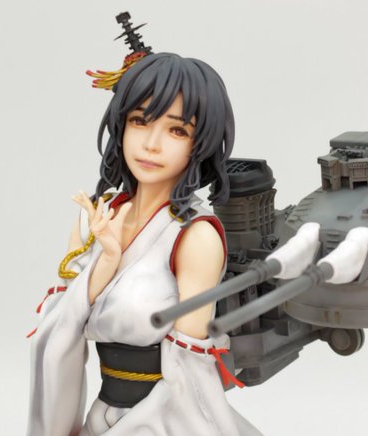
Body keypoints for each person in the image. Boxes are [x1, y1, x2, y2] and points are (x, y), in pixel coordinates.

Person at [26, 51, 260, 436]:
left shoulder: (195, 236)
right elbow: (57, 329)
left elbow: (188, 373)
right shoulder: (95, 217)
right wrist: (106, 261)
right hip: (102, 415)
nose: (151, 144)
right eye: (139, 121)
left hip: (165, 421)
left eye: (177, 130)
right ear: (120, 125)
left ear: (199, 143)